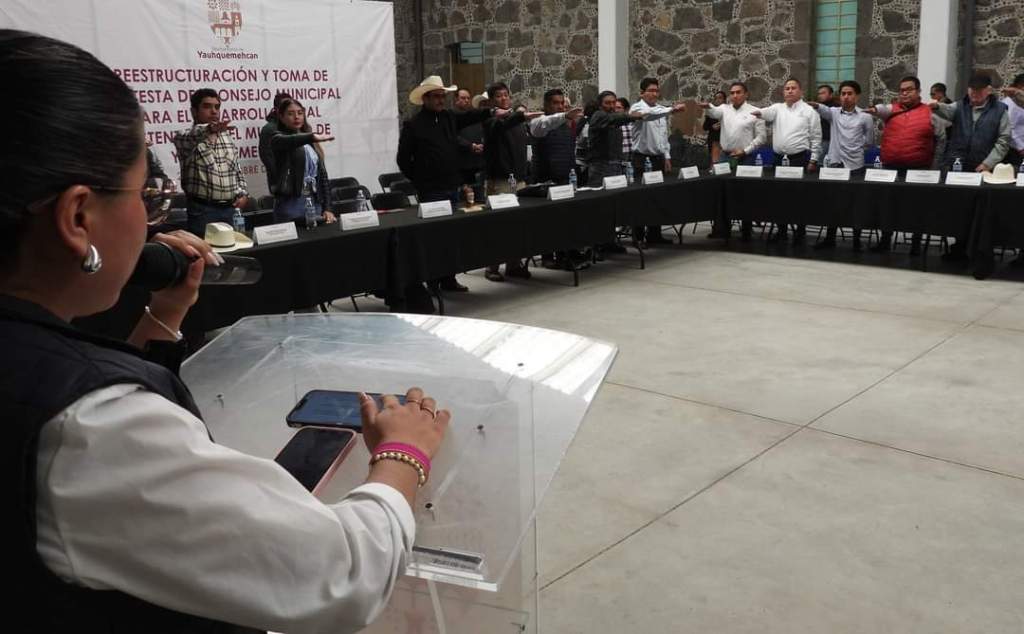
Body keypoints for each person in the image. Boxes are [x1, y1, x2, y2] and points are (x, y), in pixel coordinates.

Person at [0, 29, 450, 633]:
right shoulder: (90, 429)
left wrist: (163, 316)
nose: (152, 219)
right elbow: (340, 573)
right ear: (78, 217)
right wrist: (403, 453)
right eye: (146, 196)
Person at [397, 75, 503, 302]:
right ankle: (433, 281)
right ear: (425, 99)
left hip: (451, 186)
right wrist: (420, 180)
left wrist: (492, 111)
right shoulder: (413, 125)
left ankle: (448, 278)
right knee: (433, 238)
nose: (440, 100)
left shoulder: (448, 117)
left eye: (442, 96)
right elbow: (403, 159)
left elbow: (470, 116)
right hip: (431, 190)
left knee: (450, 237)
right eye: (436, 96)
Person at [863, 75, 948, 254]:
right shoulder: (891, 111)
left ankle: (915, 245)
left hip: (919, 169)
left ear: (918, 91)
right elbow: (879, 109)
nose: (904, 93)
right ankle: (885, 241)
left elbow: (941, 139)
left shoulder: (930, 113)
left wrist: (934, 167)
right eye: (901, 90)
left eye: (909, 90)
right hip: (891, 167)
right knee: (888, 206)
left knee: (916, 208)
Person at [931, 73, 1010, 261]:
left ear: (988, 91)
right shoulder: (960, 106)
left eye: (979, 91)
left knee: (980, 212)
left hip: (982, 167)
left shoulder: (1000, 110)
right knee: (958, 210)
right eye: (972, 90)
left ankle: (978, 251)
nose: (974, 94)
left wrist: (987, 163)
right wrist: (936, 106)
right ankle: (958, 247)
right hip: (957, 167)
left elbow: (1003, 141)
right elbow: (946, 110)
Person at [482, 82, 541, 282]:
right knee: (499, 226)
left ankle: (513, 264)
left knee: (517, 225)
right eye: (499, 95)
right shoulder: (490, 120)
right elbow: (502, 125)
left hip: (519, 179)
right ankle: (492, 266)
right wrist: (520, 115)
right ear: (491, 100)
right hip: (500, 180)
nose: (504, 98)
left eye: (506, 95)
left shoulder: (517, 122)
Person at [751, 78, 822, 244]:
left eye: (793, 88)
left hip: (799, 159)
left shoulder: (809, 111)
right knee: (779, 197)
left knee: (799, 198)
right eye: (787, 88)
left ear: (801, 91)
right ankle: (781, 231)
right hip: (778, 159)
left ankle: (800, 231)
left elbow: (816, 137)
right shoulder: (777, 108)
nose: (790, 91)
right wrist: (756, 112)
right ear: (783, 92)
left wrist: (813, 160)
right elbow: (765, 113)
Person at [172, 88, 249, 237]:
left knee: (237, 250)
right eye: (207, 106)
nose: (214, 111)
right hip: (203, 211)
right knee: (207, 251)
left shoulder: (226, 137)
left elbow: (236, 169)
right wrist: (209, 129)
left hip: (231, 209)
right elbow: (195, 134)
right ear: (194, 111)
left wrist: (243, 193)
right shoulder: (184, 137)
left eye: (217, 107)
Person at [809, 80, 875, 251]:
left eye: (849, 93)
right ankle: (829, 239)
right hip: (835, 166)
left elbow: (869, 141)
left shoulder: (865, 117)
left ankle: (856, 241)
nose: (846, 97)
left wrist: (855, 147)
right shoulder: (834, 113)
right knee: (832, 204)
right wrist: (812, 104)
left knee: (856, 205)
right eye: (843, 93)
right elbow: (821, 108)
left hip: (855, 166)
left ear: (857, 96)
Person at [699, 81, 767, 240]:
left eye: (738, 92)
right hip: (725, 156)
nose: (734, 95)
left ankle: (746, 230)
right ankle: (722, 228)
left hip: (746, 157)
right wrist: (707, 106)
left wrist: (745, 150)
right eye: (732, 93)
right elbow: (714, 112)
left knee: (745, 194)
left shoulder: (755, 112)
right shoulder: (724, 109)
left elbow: (762, 137)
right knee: (722, 192)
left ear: (746, 94)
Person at [529, 88, 586, 270]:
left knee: (564, 220)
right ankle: (547, 256)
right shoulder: (539, 122)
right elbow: (548, 122)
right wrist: (565, 116)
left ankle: (565, 254)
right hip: (545, 178)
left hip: (565, 176)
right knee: (547, 221)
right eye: (555, 103)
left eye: (562, 103)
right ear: (546, 105)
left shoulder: (567, 123)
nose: (560, 106)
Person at [629, 78, 687, 245]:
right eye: (651, 90)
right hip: (641, 158)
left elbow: (663, 135)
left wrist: (666, 155)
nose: (654, 94)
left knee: (657, 197)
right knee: (640, 199)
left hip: (657, 159)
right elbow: (648, 116)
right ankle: (638, 236)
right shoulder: (637, 108)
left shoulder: (661, 109)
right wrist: (671, 110)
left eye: (656, 91)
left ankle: (654, 234)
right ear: (642, 93)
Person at [268, 97, 337, 226]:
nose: (296, 117)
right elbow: (289, 140)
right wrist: (311, 136)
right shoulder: (277, 138)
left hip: (314, 201)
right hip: (290, 204)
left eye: (300, 113)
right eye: (290, 113)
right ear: (281, 117)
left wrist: (328, 208)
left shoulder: (311, 142)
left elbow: (322, 177)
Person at [587, 91, 645, 187]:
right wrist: (631, 116)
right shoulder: (598, 115)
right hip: (601, 167)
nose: (611, 106)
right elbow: (613, 118)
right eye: (607, 103)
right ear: (600, 105)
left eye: (614, 102)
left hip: (616, 164)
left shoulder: (613, 117)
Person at [453, 88, 485, 204]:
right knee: (465, 200)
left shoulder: (473, 116)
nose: (466, 100)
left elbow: (481, 132)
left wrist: (482, 145)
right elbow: (454, 137)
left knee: (480, 200)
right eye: (463, 98)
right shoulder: (452, 117)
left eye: (468, 98)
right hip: (462, 165)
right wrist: (470, 146)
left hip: (478, 162)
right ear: (456, 99)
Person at [258, 91, 293, 190]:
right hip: (280, 183)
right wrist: (282, 178)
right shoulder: (269, 129)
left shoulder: (294, 126)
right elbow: (267, 157)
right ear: (277, 109)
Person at [1001, 73, 1024, 169]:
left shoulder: (1021, 102)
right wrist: (1021, 147)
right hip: (1013, 150)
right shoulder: (1009, 104)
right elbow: (1009, 128)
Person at [816, 84, 839, 161]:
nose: (820, 95)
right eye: (819, 93)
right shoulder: (816, 107)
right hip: (819, 140)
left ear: (831, 95)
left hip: (831, 140)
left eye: (823, 93)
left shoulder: (836, 108)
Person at [703, 90, 727, 164]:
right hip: (713, 140)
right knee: (714, 162)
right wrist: (712, 127)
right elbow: (705, 127)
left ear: (724, 100)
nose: (717, 100)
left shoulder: (729, 111)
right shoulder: (711, 112)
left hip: (725, 141)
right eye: (716, 98)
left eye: (720, 98)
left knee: (724, 162)